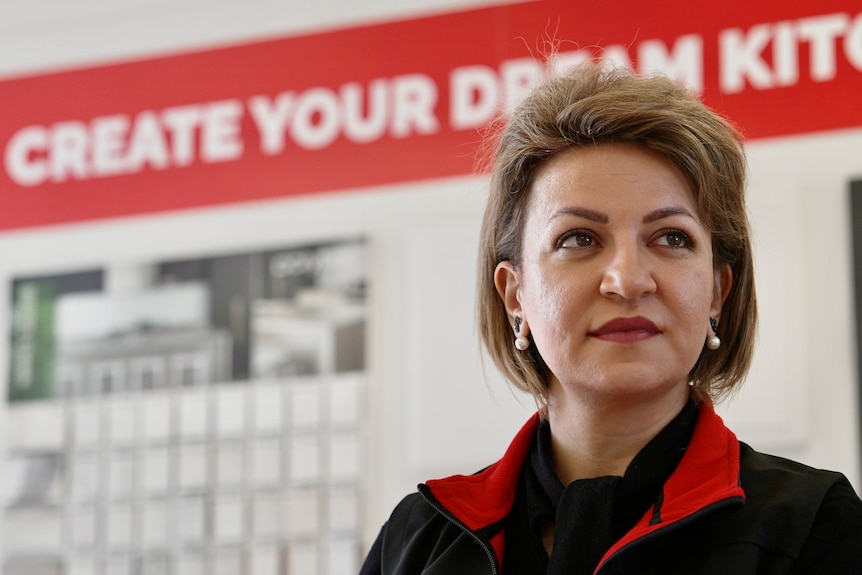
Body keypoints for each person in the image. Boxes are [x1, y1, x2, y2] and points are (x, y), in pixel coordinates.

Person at [360, 61, 862, 574]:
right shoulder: (418, 540)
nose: (627, 280)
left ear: (717, 291)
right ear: (515, 296)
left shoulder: (813, 528)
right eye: (578, 238)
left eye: (671, 238)